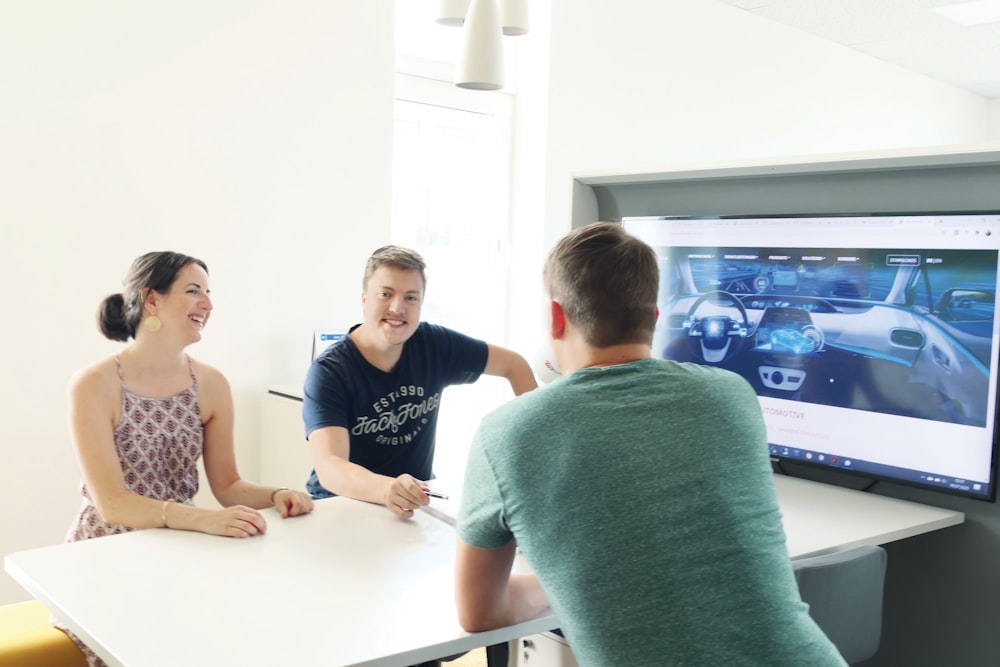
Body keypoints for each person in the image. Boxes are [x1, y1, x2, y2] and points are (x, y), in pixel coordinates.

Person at [453, 223, 847, 666]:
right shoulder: (733, 396)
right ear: (654, 319)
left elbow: (480, 613)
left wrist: (566, 579)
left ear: (555, 318)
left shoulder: (507, 433)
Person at [61, 251, 314, 666]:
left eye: (209, 294)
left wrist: (280, 493)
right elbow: (113, 504)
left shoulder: (211, 384)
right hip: (104, 558)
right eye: (194, 291)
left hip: (181, 549)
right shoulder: (93, 385)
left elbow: (229, 485)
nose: (208, 305)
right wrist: (205, 519)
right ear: (152, 300)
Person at [303, 244, 538, 519]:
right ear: (364, 298)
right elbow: (330, 467)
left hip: (413, 505)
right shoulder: (329, 371)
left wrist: (536, 449)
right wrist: (386, 488)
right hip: (340, 506)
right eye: (385, 294)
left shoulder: (433, 344)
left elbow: (514, 365)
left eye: (411, 298)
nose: (397, 308)